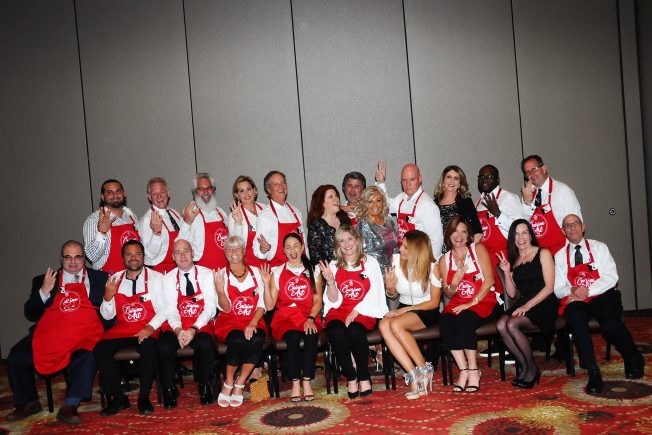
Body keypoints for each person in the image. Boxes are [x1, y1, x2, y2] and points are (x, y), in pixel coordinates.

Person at [6, 240, 108, 425]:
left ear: (84, 258)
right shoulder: (44, 280)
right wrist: (43, 292)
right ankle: (28, 402)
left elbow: (109, 312)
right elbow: (31, 313)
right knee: (17, 357)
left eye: (78, 257)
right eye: (68, 257)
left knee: (88, 355)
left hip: (84, 335)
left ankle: (71, 404)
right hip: (51, 335)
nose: (73, 262)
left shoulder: (100, 278)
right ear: (61, 260)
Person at [554, 214, 644, 394]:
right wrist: (573, 290)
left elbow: (611, 277)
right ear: (563, 231)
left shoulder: (599, 247)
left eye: (575, 224)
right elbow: (558, 288)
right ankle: (594, 372)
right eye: (567, 226)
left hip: (603, 294)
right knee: (576, 317)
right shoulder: (560, 256)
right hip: (578, 299)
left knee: (610, 323)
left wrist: (587, 291)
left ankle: (632, 357)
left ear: (583, 227)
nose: (572, 228)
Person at [94, 240, 167, 415]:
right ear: (123, 258)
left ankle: (144, 397)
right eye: (129, 254)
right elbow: (107, 316)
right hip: (123, 328)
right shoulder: (114, 279)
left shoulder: (157, 278)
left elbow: (165, 309)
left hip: (147, 326)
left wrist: (150, 327)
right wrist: (107, 297)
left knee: (149, 347)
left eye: (137, 254)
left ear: (143, 257)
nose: (133, 258)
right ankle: (119, 399)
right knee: (101, 349)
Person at [320, 225, 388, 398]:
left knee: (355, 331)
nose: (347, 244)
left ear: (357, 240)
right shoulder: (334, 265)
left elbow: (375, 292)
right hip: (339, 309)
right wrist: (330, 282)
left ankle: (363, 376)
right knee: (335, 331)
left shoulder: (370, 262)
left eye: (350, 239)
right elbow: (333, 299)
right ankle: (351, 376)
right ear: (338, 245)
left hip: (365, 310)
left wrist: (356, 311)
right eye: (342, 241)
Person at [496, 220, 558, 389]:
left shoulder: (543, 253)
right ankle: (527, 366)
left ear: (530, 235)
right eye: (516, 234)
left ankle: (531, 368)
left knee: (512, 324)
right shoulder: (515, 260)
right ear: (512, 238)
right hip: (524, 302)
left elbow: (549, 287)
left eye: (524, 233)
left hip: (544, 302)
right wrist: (507, 272)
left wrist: (527, 306)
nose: (520, 237)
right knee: (501, 325)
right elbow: (512, 294)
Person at [379, 230, 441, 399]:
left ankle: (423, 368)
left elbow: (434, 302)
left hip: (426, 309)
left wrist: (404, 310)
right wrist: (390, 288)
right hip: (405, 307)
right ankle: (414, 373)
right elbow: (393, 296)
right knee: (384, 324)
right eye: (402, 245)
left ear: (417, 249)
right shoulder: (396, 260)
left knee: (395, 324)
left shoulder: (433, 266)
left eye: (406, 247)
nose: (401, 249)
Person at [438, 216, 497, 393]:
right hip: (459, 301)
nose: (459, 236)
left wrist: (473, 302)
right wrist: (454, 283)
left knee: (465, 319)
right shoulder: (444, 260)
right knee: (445, 321)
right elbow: (448, 293)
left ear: (469, 235)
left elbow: (490, 280)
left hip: (482, 299)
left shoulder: (478, 249)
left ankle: (473, 370)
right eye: (455, 231)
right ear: (449, 235)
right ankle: (463, 370)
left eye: (463, 232)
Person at [214, 236, 273, 408]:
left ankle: (240, 382)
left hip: (254, 319)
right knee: (237, 340)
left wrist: (253, 323)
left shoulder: (256, 272)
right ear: (225, 253)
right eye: (229, 249)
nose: (234, 252)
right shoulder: (220, 275)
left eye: (237, 248)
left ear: (243, 251)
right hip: (230, 321)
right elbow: (225, 308)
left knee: (256, 339)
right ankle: (229, 381)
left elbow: (262, 304)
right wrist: (220, 291)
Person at [158, 239, 218, 407]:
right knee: (164, 346)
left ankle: (205, 386)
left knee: (205, 344)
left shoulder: (206, 274)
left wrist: (193, 329)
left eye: (186, 251)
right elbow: (170, 309)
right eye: (178, 252)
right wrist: (178, 330)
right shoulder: (167, 279)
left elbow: (210, 308)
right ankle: (169, 388)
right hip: (175, 323)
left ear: (193, 253)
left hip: (200, 323)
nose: (183, 255)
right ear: (173, 257)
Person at [475, 164, 523, 358]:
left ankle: (514, 347)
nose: (485, 179)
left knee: (510, 303)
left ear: (497, 179)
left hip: (504, 260)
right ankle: (499, 342)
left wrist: (498, 214)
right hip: (487, 263)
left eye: (489, 176)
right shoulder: (478, 202)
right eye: (482, 176)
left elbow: (520, 229)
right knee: (496, 303)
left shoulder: (508, 198)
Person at [270, 233, 323, 402]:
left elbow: (318, 300)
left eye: (296, 246)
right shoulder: (277, 272)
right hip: (286, 318)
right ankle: (295, 383)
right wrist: (265, 283)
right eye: (288, 247)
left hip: (309, 316)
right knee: (292, 337)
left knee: (311, 334)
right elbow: (270, 306)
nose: (292, 251)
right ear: (284, 251)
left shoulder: (314, 270)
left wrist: (311, 318)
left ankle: (306, 381)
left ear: (302, 248)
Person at [375, 162, 443, 257]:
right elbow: (386, 206)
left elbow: (437, 240)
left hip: (419, 258)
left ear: (420, 179)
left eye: (412, 179)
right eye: (404, 180)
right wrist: (381, 182)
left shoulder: (427, 205)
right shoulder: (401, 198)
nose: (408, 184)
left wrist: (431, 263)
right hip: (404, 255)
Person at [521, 155, 582, 255]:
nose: (531, 174)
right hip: (542, 254)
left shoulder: (562, 190)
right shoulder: (528, 194)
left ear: (544, 169)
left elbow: (577, 226)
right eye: (527, 172)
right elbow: (526, 227)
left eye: (534, 169)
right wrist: (527, 203)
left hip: (563, 252)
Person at [83, 179, 139, 274]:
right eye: (110, 192)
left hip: (132, 275)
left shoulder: (131, 215)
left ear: (124, 193)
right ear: (102, 197)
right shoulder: (94, 220)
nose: (115, 195)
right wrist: (102, 232)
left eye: (118, 191)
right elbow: (92, 257)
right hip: (108, 277)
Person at [253, 170, 306, 267]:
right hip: (279, 270)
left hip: (301, 268)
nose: (281, 187)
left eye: (283, 183)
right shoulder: (265, 216)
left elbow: (304, 243)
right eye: (276, 184)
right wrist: (263, 249)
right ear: (268, 189)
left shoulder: (296, 212)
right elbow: (257, 249)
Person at [177, 172, 229, 271]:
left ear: (213, 190)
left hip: (225, 269)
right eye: (201, 189)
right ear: (194, 192)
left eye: (209, 188)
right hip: (203, 270)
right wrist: (187, 223)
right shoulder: (189, 213)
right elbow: (180, 244)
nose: (205, 192)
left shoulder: (221, 212)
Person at [434, 165, 483, 253]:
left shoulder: (465, 202)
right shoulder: (434, 204)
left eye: (456, 178)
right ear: (443, 181)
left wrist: (466, 254)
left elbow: (478, 233)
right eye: (449, 177)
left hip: (459, 254)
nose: (452, 181)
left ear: (459, 183)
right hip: (437, 254)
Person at [138, 177, 183, 273]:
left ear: (168, 193)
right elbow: (150, 254)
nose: (159, 196)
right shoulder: (147, 220)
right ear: (149, 197)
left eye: (162, 192)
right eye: (154, 193)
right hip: (158, 270)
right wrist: (156, 233)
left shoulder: (175, 213)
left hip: (177, 268)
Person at [355, 186, 399, 275]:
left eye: (378, 200)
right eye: (370, 201)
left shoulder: (389, 220)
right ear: (365, 204)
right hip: (374, 274)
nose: (375, 205)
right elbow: (364, 255)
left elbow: (395, 248)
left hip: (393, 271)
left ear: (383, 202)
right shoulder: (363, 224)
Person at [227, 175, 267, 268]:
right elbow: (235, 244)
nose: (246, 194)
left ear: (255, 191)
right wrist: (238, 222)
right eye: (241, 191)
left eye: (249, 189)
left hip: (267, 262)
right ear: (237, 195)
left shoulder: (265, 209)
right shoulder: (234, 215)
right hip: (247, 264)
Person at [307, 184, 351, 266]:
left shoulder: (345, 219)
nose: (336, 199)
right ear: (322, 203)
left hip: (350, 267)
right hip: (328, 271)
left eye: (336, 196)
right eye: (331, 197)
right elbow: (316, 257)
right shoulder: (316, 225)